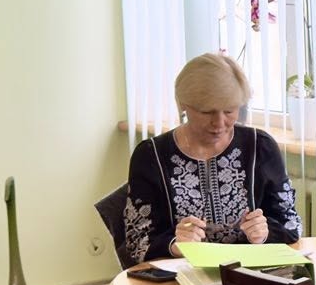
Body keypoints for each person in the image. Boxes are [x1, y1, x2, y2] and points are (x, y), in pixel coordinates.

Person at [121, 52, 301, 266]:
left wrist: (264, 232)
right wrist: (175, 244)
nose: (220, 123)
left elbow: (291, 225)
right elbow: (137, 241)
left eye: (230, 111)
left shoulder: (260, 147)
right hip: (181, 275)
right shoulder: (151, 155)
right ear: (184, 105)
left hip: (249, 274)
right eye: (207, 112)